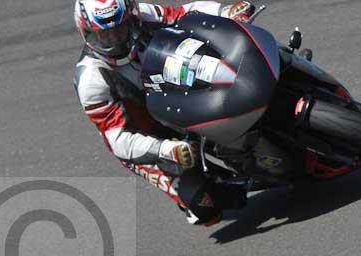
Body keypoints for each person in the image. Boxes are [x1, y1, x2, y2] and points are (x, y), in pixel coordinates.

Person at [74, 0, 255, 226]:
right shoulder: (91, 80)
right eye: (105, 35)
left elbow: (184, 14)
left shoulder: (144, 15)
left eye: (120, 28)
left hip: (179, 94)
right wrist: (165, 149)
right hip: (149, 136)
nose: (115, 40)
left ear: (131, 19)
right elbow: (117, 139)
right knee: (206, 207)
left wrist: (224, 12)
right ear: (87, 33)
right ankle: (231, 181)